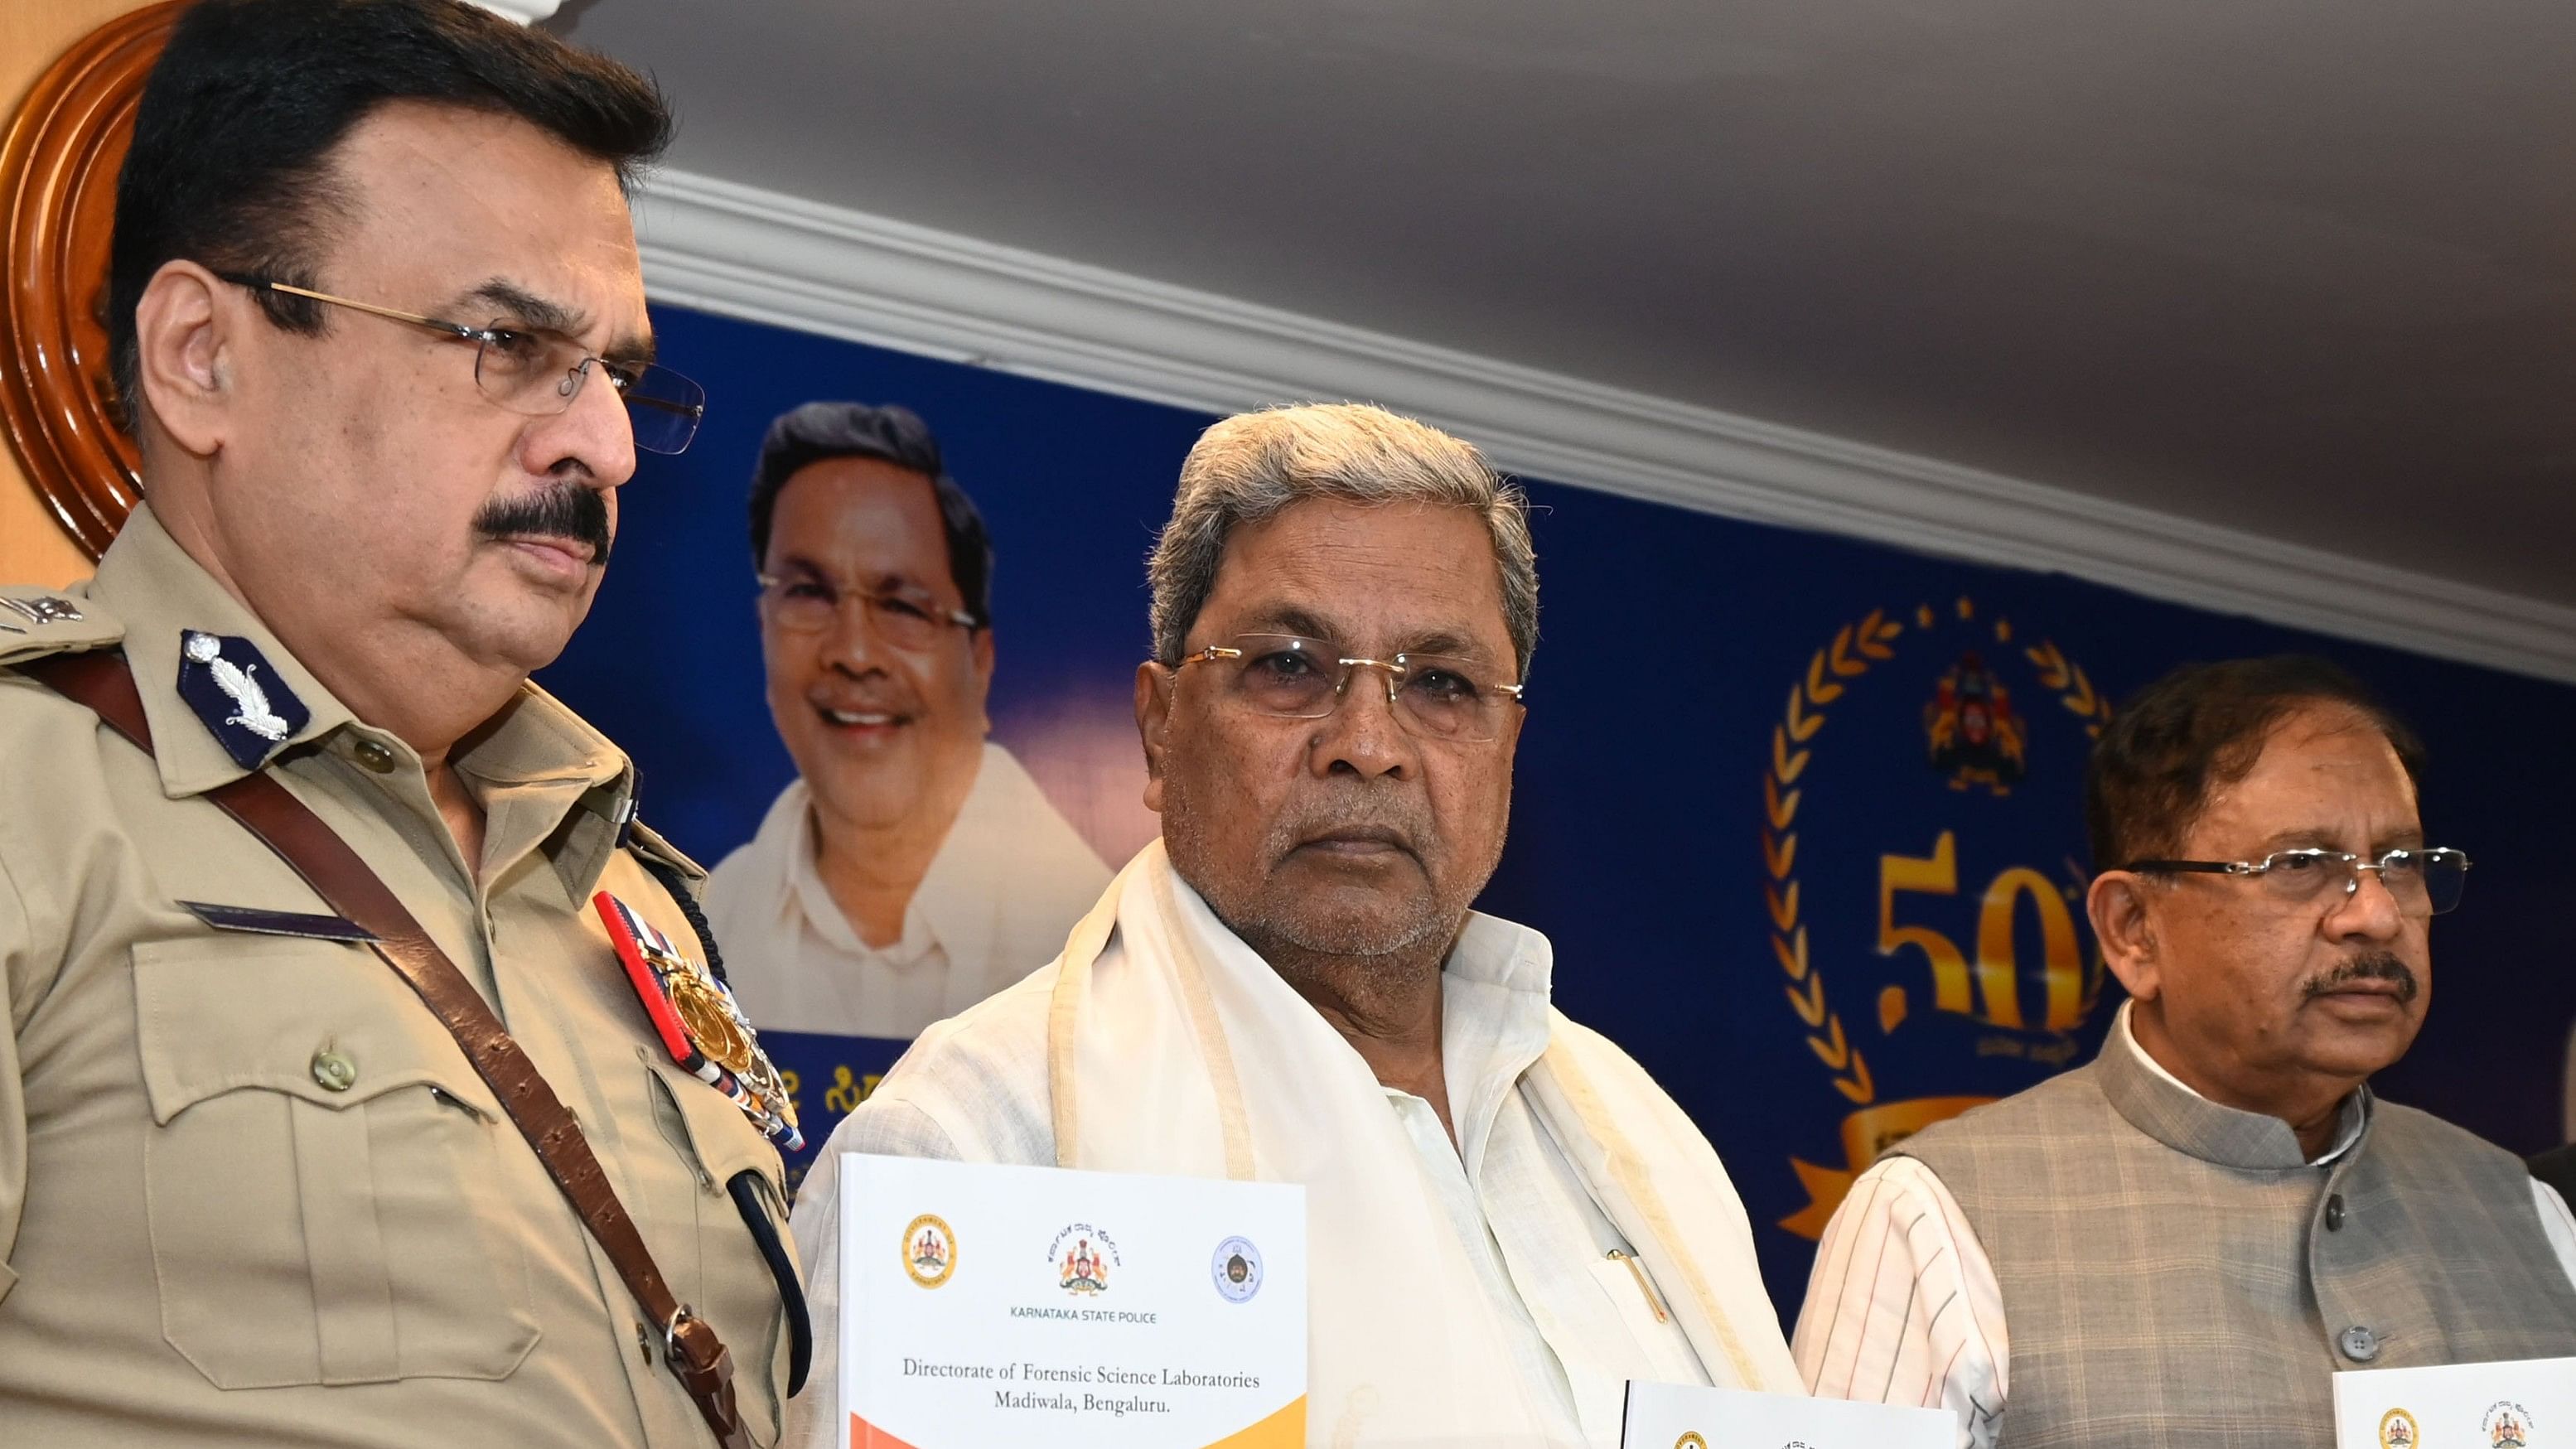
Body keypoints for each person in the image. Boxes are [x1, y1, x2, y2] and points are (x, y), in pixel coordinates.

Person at [0, 2, 800, 1442]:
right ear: (200, 354)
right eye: (504, 341)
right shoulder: (23, 792)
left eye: (614, 371)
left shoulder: (634, 896)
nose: (603, 445)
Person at [785, 403, 1799, 1449]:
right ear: (1159, 728)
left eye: (1442, 684)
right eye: (1288, 666)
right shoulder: (973, 1146)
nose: (1367, 743)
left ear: (1507, 748)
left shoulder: (1647, 1146)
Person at [1793, 656, 2576, 1449]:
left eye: (2401, 863)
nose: (2374, 913)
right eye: (2301, 865)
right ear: (2133, 928)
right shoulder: (1934, 1219)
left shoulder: (2525, 1211)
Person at [705, 403, 1108, 1039]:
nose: (854, 652)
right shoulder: (705, 926)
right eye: (809, 593)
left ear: (978, 663)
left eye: (902, 606)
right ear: (764, 629)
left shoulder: (1100, 949)